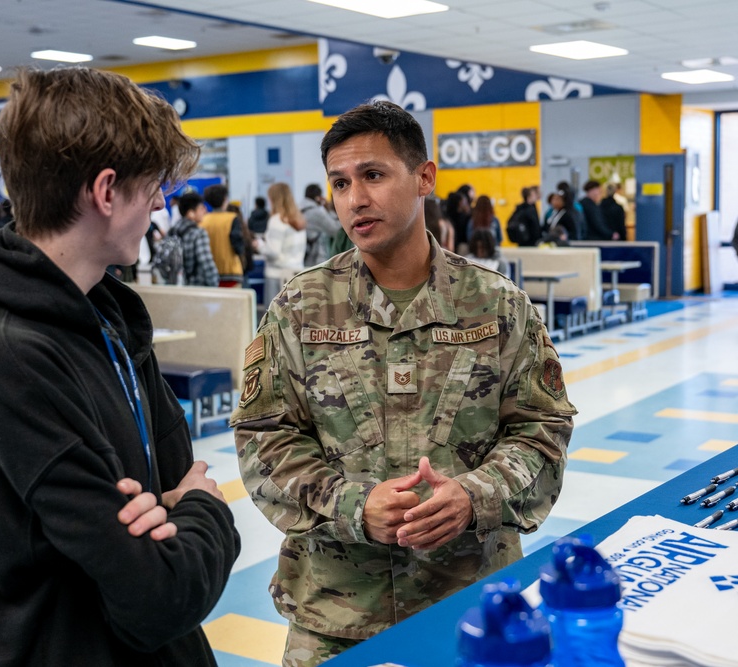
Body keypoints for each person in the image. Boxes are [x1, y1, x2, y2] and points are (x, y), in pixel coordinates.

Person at [231, 100, 576, 666]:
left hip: (471, 607)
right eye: (339, 183)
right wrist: (351, 504)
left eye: (373, 175)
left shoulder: (496, 304)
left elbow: (542, 428)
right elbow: (263, 437)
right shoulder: (302, 307)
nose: (354, 199)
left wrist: (474, 494)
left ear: (424, 177)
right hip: (336, 619)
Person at [0, 66, 240, 666]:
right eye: (154, 186)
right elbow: (159, 593)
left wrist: (174, 513)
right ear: (105, 191)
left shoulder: (114, 322)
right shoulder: (3, 358)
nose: (158, 204)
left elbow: (173, 493)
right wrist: (205, 506)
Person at [257, 182, 306, 303]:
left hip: (277, 276)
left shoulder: (276, 220)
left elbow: (273, 252)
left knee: (274, 319)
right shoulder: (298, 219)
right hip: (296, 274)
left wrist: (259, 245)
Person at [169, 191, 219, 287]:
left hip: (176, 286)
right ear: (191, 213)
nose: (205, 211)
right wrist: (214, 284)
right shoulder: (198, 234)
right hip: (197, 287)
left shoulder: (172, 231)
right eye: (201, 208)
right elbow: (206, 263)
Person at [200, 184, 245, 287]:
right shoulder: (232, 218)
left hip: (209, 274)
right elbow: (238, 245)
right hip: (231, 272)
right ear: (225, 199)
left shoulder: (203, 220)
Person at [301, 183, 342, 267]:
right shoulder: (316, 213)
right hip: (316, 259)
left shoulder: (299, 209)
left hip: (304, 256)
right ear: (318, 198)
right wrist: (330, 210)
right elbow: (335, 229)